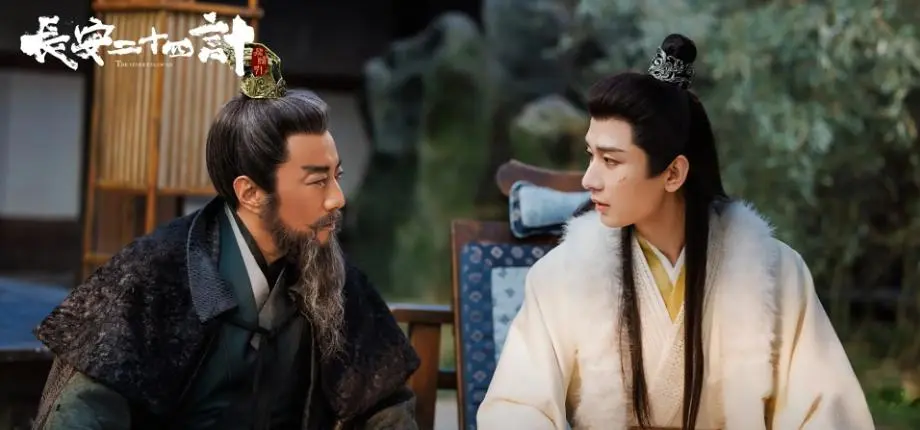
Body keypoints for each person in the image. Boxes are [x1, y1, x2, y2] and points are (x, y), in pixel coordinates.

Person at [477, 34, 874, 430]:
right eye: (590, 156)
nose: (588, 180)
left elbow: (826, 411)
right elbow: (516, 408)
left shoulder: (773, 272)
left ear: (673, 173)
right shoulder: (565, 274)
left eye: (611, 161)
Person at [31, 43, 420, 430]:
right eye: (317, 181)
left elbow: (386, 404)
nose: (337, 199)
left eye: (337, 176)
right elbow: (82, 413)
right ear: (250, 193)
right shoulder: (156, 273)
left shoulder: (332, 276)